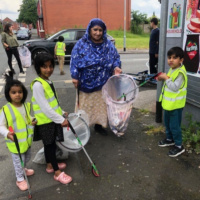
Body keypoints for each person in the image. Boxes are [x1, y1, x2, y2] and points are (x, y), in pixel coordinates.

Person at [70, 18, 122, 136]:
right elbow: (74, 60)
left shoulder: (108, 45)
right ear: (89, 29)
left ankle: (99, 126)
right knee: (85, 108)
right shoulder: (81, 44)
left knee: (101, 107)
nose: (98, 33)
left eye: (100, 30)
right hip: (85, 82)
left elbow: (115, 58)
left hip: (103, 83)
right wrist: (74, 76)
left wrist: (116, 67)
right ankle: (82, 128)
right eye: (95, 30)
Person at [30, 53, 72, 184]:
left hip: (51, 120)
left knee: (51, 145)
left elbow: (53, 103)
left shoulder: (48, 81)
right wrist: (61, 120)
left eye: (50, 66)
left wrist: (62, 112)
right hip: (45, 122)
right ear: (38, 68)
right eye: (44, 67)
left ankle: (50, 165)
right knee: (50, 146)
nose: (48, 69)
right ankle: (57, 173)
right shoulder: (38, 85)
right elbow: (45, 108)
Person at [0, 71, 36, 191]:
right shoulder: (6, 110)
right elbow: (1, 125)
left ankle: (23, 168)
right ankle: (20, 179)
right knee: (18, 160)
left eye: (20, 92)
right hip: (15, 142)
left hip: (26, 140)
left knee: (27, 157)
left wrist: (32, 120)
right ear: (8, 94)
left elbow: (25, 118)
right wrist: (6, 133)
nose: (17, 95)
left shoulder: (25, 106)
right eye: (13, 92)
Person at [157, 47, 188, 157]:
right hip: (168, 105)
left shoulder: (180, 73)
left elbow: (174, 87)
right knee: (168, 124)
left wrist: (166, 78)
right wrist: (162, 78)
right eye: (169, 57)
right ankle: (170, 139)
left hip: (176, 106)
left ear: (181, 60)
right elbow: (168, 82)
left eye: (175, 58)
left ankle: (179, 146)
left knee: (175, 126)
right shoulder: (172, 70)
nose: (171, 60)